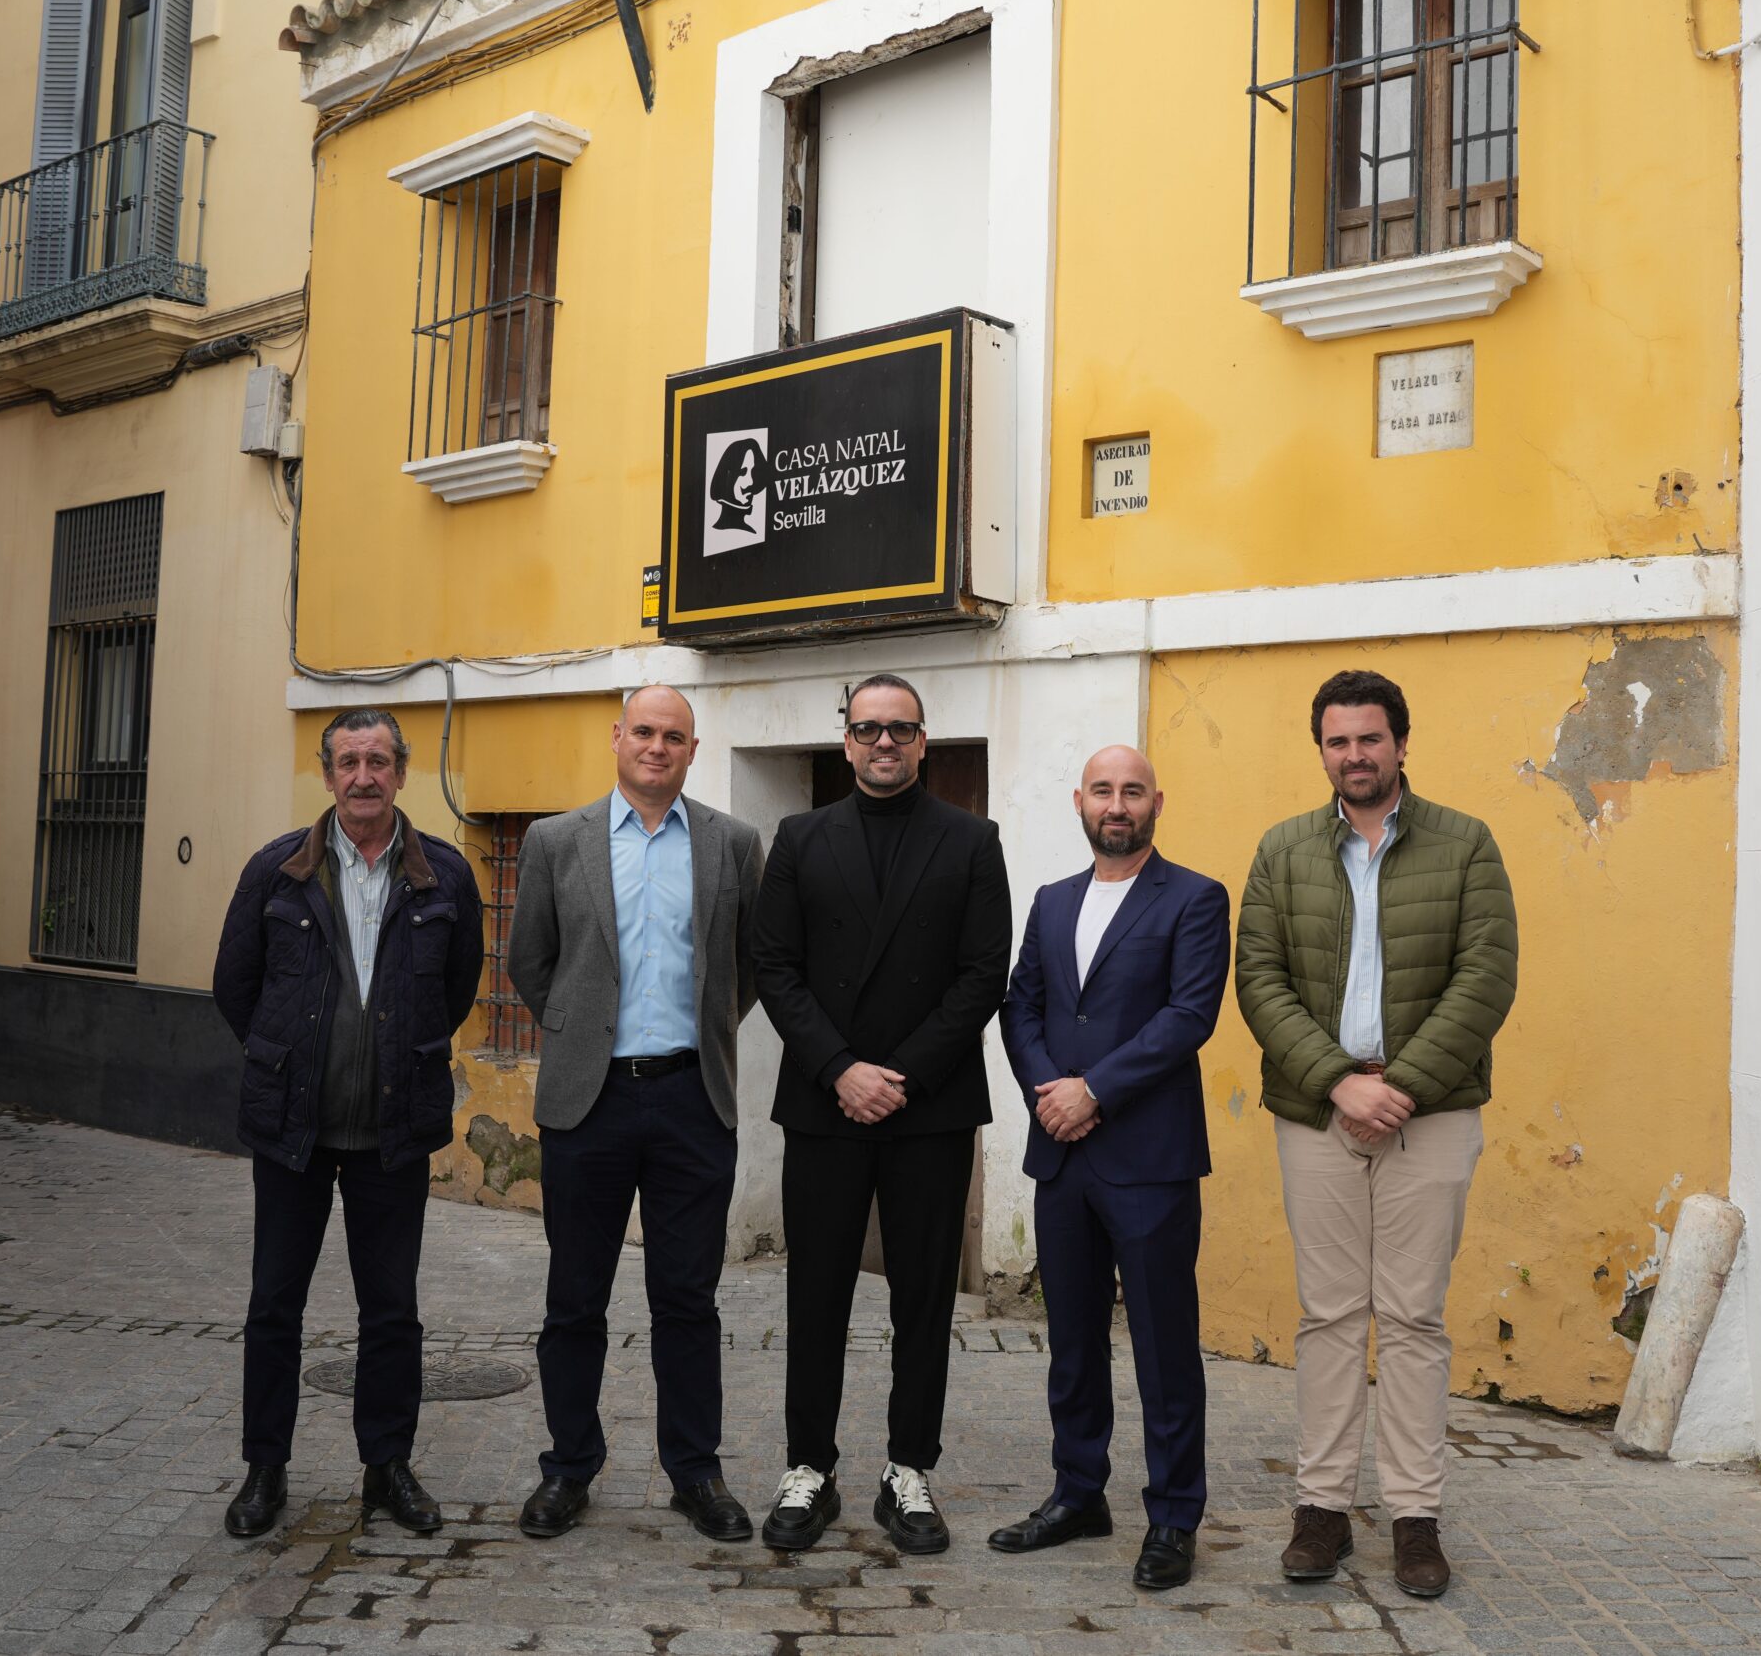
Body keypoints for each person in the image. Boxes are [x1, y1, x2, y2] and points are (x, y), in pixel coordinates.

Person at [1235, 669, 1517, 1598]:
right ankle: (1320, 1509)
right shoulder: (1282, 850)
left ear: (1401, 741)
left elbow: (1486, 977)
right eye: (1336, 741)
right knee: (1327, 1314)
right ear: (1321, 749)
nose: (1353, 754)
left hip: (1427, 1115)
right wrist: (1335, 1083)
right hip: (1318, 1115)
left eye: (1369, 738)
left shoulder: (1466, 842)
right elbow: (1260, 980)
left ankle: (1413, 1518)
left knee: (1411, 1317)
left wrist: (1398, 1085)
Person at [750, 673, 1012, 1555]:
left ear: (924, 741)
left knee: (925, 1299)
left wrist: (897, 1073)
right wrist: (839, 1069)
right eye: (868, 728)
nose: (884, 743)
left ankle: (910, 1469)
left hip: (927, 1106)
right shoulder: (799, 838)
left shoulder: (973, 841)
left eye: (900, 728)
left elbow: (984, 974)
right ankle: (808, 1467)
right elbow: (774, 966)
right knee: (815, 1290)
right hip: (825, 1106)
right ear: (847, 739)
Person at [211, 709, 485, 1538]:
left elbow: (460, 986)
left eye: (378, 760)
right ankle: (265, 1468)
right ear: (326, 774)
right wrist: (286, 1055)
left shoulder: (445, 874)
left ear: (401, 771)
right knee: (273, 1304)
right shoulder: (277, 872)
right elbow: (235, 986)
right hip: (292, 1130)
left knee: (392, 1308)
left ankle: (387, 1467)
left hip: (393, 1133)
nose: (363, 775)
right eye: (347, 761)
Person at [504, 685, 765, 1543]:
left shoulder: (733, 842)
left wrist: (701, 1037)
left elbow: (747, 970)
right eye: (643, 732)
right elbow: (531, 962)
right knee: (574, 1298)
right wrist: (584, 1032)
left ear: (693, 749)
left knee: (687, 1299)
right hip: (590, 1100)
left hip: (695, 1096)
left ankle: (695, 1471)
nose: (657, 746)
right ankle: (568, 1468)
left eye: (674, 736)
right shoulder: (553, 840)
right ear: (617, 738)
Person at [990, 746, 1229, 1592]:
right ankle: (1077, 1491)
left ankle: (1172, 1514)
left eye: (1132, 790)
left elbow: (1188, 1015)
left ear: (1156, 800)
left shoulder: (1195, 898)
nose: (1117, 803)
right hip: (1062, 1155)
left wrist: (1094, 1089)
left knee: (1164, 1344)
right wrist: (1049, 1092)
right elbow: (1022, 1004)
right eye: (1103, 790)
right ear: (1080, 801)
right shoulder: (1054, 901)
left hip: (1149, 1158)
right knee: (1073, 1340)